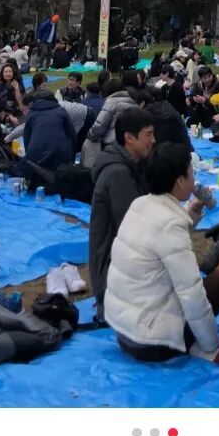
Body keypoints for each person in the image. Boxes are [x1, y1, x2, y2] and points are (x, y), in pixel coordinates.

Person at [104, 143, 219, 363]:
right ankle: (192, 346)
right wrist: (211, 346)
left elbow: (162, 241)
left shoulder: (140, 204)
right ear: (180, 180)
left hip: (124, 331)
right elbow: (192, 295)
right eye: (191, 172)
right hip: (152, 342)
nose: (194, 179)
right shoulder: (171, 225)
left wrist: (192, 212)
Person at [89, 107, 156, 319]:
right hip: (114, 277)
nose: (153, 140)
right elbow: (135, 231)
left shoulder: (133, 164)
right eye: (148, 135)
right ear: (129, 138)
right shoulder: (118, 174)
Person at [22, 86, 76, 169]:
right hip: (61, 154)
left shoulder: (32, 114)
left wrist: (29, 156)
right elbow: (72, 135)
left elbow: (26, 138)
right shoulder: (61, 111)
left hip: (37, 156)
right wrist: (72, 159)